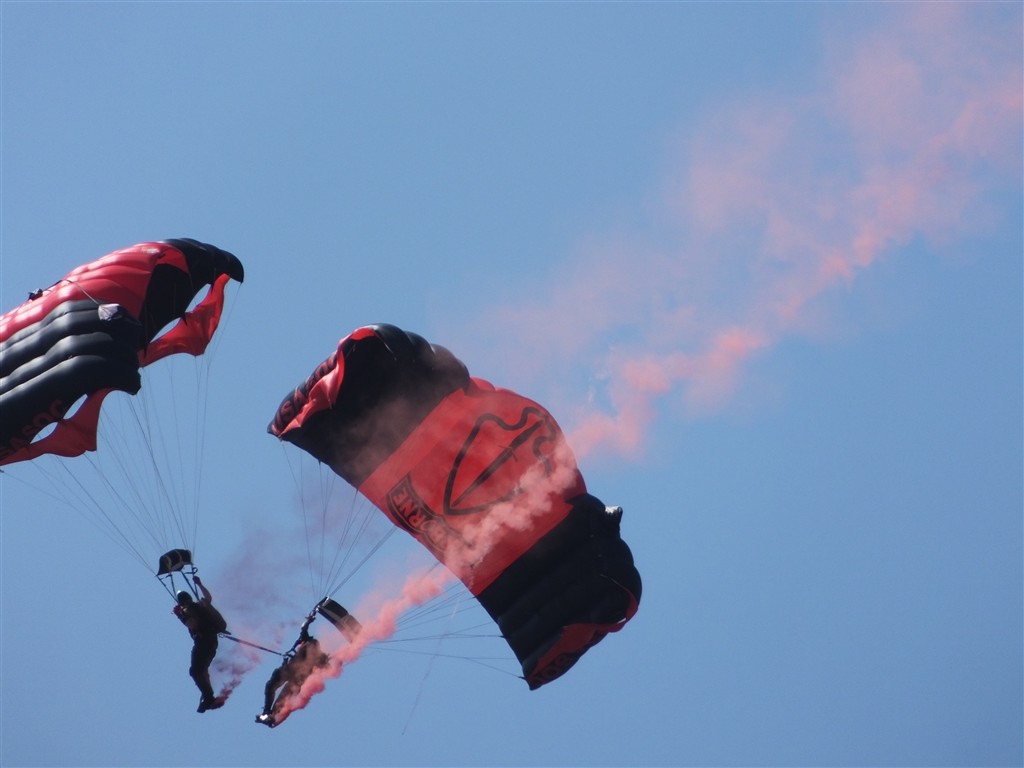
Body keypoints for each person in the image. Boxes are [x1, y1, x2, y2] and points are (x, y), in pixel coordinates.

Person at [256, 612, 330, 727]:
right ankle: (267, 713)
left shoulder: (316, 653)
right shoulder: (308, 642)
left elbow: (326, 666)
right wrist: (308, 620)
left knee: (282, 694)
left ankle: (270, 715)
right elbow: (303, 629)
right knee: (272, 687)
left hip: (296, 677)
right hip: (290, 671)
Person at [173, 575, 227, 713]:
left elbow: (192, 624)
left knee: (196, 671)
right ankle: (208, 695)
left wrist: (180, 616)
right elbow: (208, 598)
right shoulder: (200, 605)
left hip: (203, 642)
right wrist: (199, 584)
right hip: (211, 643)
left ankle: (208, 697)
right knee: (200, 670)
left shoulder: (188, 611)